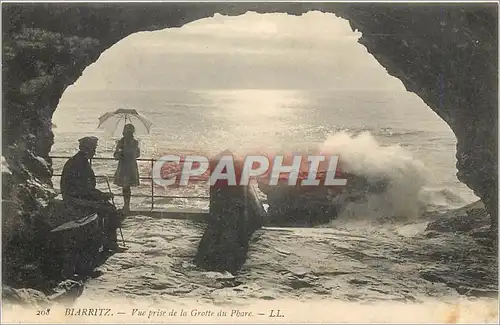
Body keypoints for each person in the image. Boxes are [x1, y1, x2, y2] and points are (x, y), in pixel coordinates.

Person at [60, 136, 121, 252]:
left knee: (105, 206)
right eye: (93, 148)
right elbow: (85, 189)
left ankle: (104, 241)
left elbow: (85, 188)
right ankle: (110, 245)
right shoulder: (81, 164)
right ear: (88, 149)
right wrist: (102, 195)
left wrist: (100, 195)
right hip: (75, 199)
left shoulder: (78, 161)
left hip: (74, 196)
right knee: (110, 209)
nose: (95, 151)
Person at [113, 124, 140, 212]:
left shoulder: (135, 142)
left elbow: (137, 154)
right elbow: (116, 155)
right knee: (125, 186)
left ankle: (127, 205)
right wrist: (120, 153)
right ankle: (126, 205)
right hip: (125, 165)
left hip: (129, 165)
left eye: (130, 132)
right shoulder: (121, 142)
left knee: (126, 186)